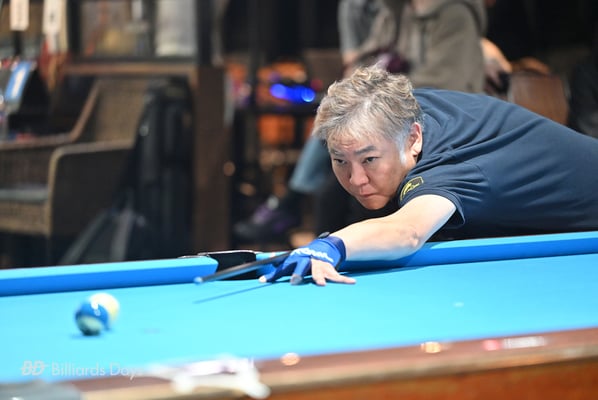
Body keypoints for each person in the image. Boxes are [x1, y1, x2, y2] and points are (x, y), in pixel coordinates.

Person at [257, 64, 598, 286]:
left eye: (369, 159)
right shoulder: (397, 110)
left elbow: (407, 232)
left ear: (414, 139)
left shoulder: (445, 168)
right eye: (340, 161)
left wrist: (332, 245)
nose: (356, 179)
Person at [234, 0, 492, 242]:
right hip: (384, 119)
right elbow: (366, 60)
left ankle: (292, 200)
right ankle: (305, 221)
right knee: (330, 190)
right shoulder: (396, 10)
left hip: (434, 128)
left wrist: (373, 96)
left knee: (352, 190)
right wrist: (360, 90)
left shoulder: (455, 14)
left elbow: (443, 88)